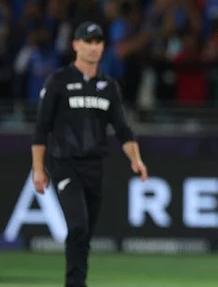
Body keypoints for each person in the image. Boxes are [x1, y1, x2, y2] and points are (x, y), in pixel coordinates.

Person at [31, 21, 148, 287]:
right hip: (64, 163)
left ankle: (78, 280)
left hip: (94, 167)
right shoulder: (59, 82)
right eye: (88, 41)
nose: (93, 47)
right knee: (78, 226)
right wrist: (38, 169)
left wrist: (136, 159)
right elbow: (41, 128)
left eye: (98, 42)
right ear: (76, 45)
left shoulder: (108, 86)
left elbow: (123, 130)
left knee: (85, 234)